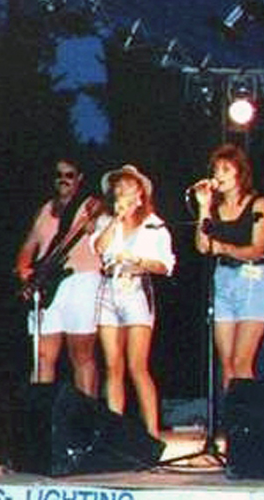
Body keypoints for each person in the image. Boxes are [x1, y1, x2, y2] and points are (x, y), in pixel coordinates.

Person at [92, 164, 175, 438]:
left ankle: (152, 433)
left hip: (137, 289)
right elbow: (99, 248)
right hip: (108, 289)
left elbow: (165, 265)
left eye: (128, 186)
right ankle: (115, 433)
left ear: (140, 193)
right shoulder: (106, 221)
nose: (122, 190)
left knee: (137, 365)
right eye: (118, 187)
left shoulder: (154, 224)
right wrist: (117, 220)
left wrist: (138, 260)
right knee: (112, 365)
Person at [15, 158, 103, 396]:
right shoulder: (44, 210)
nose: (63, 179)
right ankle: (41, 411)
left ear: (79, 178)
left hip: (81, 279)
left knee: (81, 354)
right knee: (42, 354)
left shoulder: (91, 206)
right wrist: (24, 269)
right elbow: (29, 245)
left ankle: (87, 413)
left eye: (69, 175)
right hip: (46, 283)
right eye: (59, 175)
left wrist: (98, 221)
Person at [192, 143, 264, 390]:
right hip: (223, 279)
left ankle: (247, 414)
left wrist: (225, 248)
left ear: (240, 173)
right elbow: (202, 246)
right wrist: (203, 206)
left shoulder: (258, 204)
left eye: (226, 169)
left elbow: (257, 248)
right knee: (226, 363)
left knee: (241, 362)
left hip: (252, 278)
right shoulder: (214, 209)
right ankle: (231, 413)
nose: (219, 175)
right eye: (216, 170)